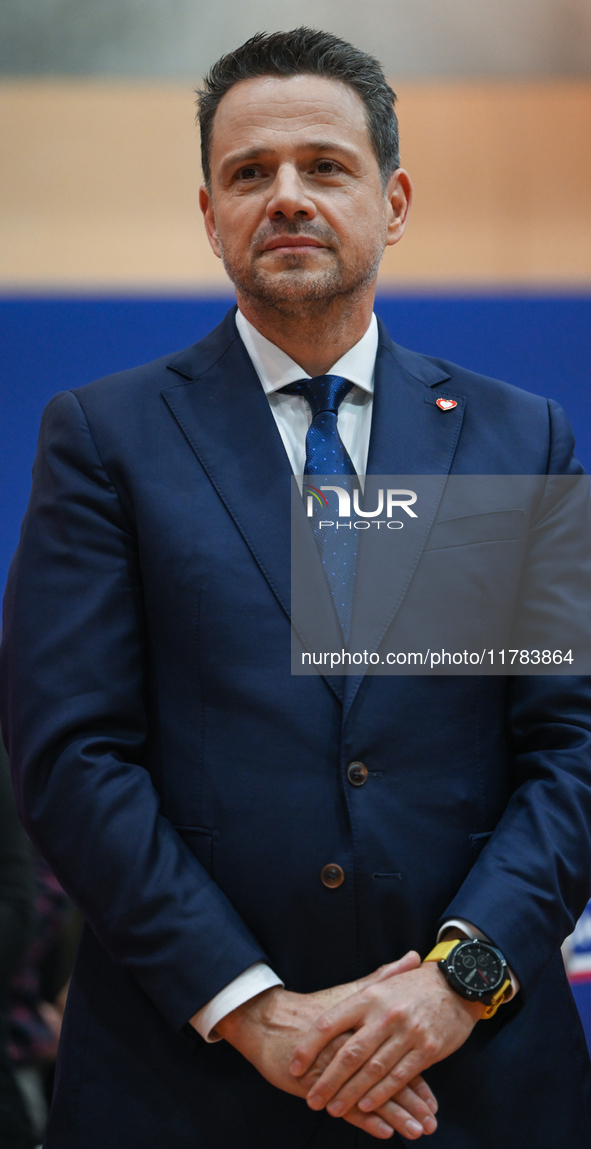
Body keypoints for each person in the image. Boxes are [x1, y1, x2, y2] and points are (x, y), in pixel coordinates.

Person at [1, 26, 591, 1149]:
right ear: (210, 212)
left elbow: (575, 745)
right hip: (189, 1087)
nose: (286, 196)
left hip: (477, 1084)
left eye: (324, 166)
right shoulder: (105, 440)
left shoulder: (516, 438)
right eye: (248, 173)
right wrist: (254, 1008)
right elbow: (71, 757)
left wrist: (453, 985)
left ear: (395, 198)